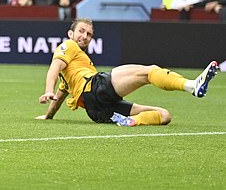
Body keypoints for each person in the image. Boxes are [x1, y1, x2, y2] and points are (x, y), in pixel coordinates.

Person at [37, 18, 219, 126]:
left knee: (164, 116)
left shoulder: (71, 73)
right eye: (81, 31)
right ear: (70, 34)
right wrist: (48, 90)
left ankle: (133, 122)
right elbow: (55, 67)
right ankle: (192, 85)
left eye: (89, 34)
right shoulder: (68, 45)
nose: (85, 36)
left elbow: (61, 94)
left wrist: (48, 116)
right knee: (149, 72)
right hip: (94, 88)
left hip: (97, 112)